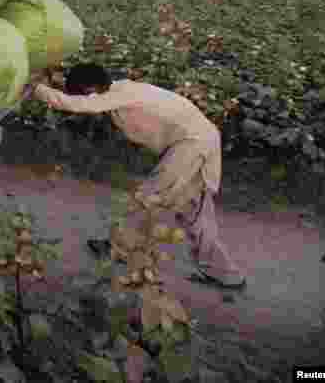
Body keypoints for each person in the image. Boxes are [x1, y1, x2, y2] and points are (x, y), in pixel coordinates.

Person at [29, 63, 247, 289]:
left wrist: (36, 89)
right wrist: (52, 82)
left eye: (81, 91)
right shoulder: (124, 89)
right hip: (200, 141)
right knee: (195, 215)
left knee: (148, 197)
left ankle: (119, 248)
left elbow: (81, 105)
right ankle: (228, 275)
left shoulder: (119, 96)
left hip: (192, 145)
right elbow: (86, 99)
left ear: (90, 89)